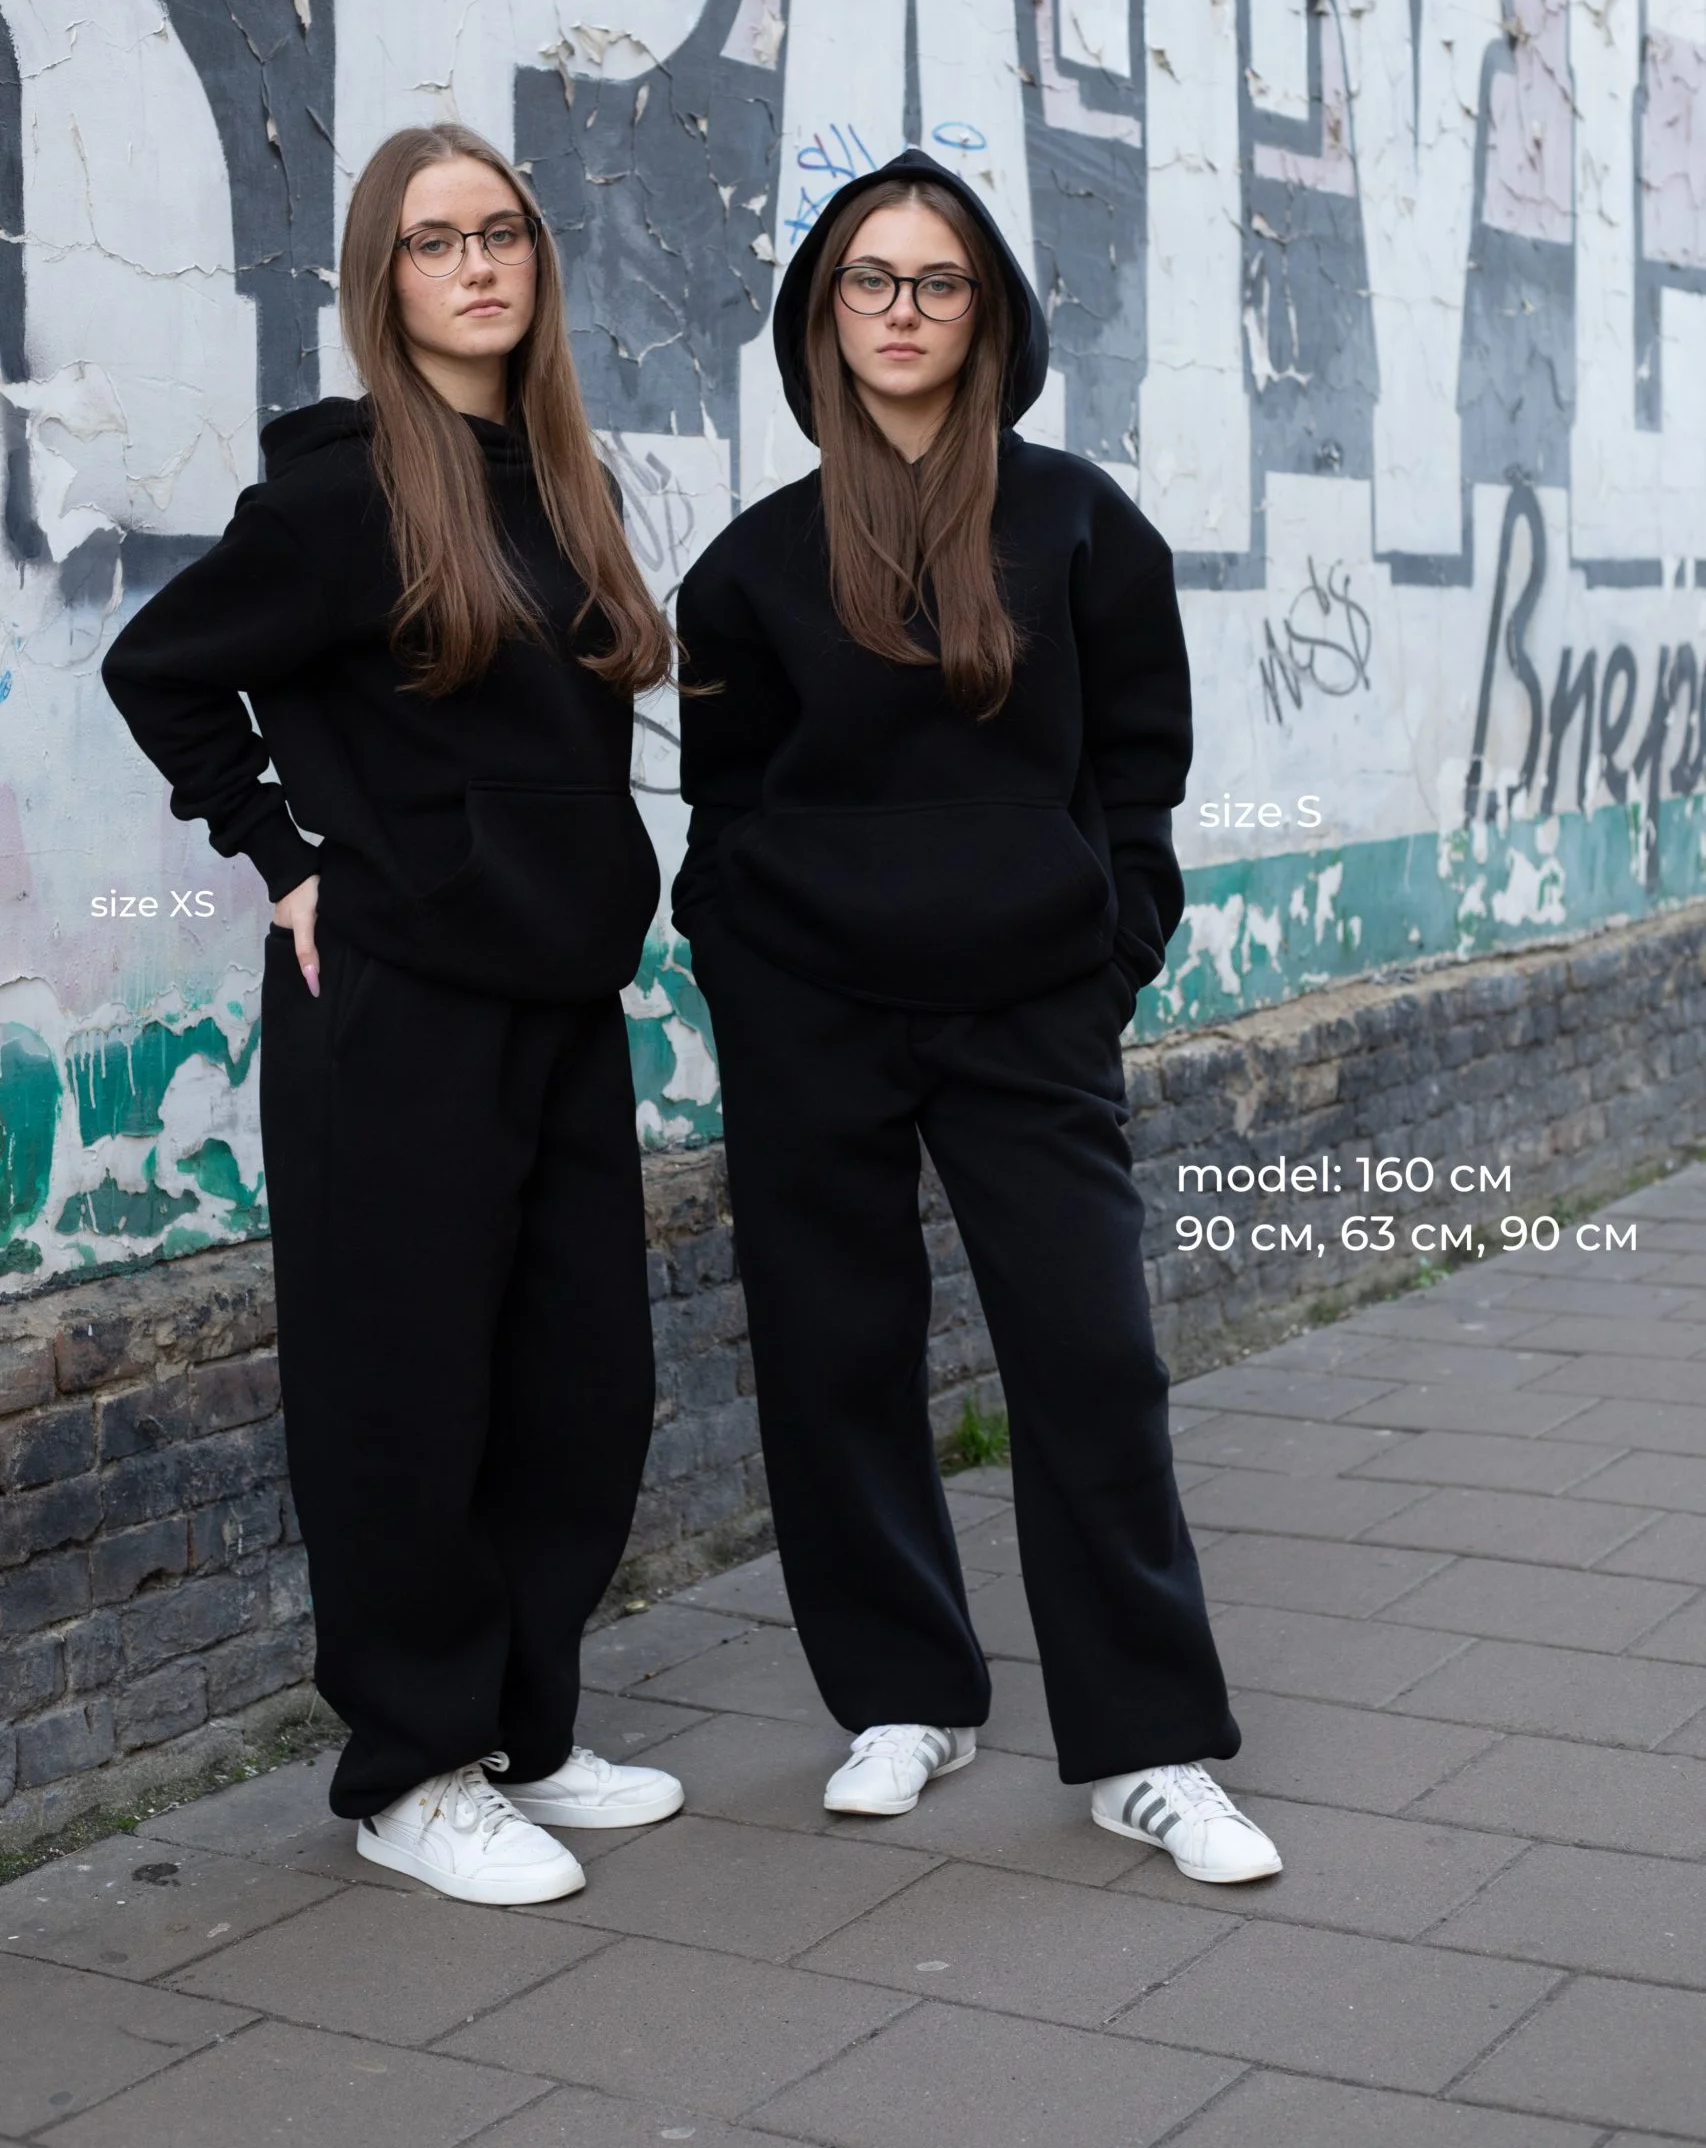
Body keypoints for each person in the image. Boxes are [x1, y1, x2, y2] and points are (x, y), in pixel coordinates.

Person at [672, 147, 1280, 1884]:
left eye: (936, 281)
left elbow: (1137, 777)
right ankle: (903, 1697)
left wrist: (1107, 955)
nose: (902, 311)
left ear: (987, 311)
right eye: (868, 279)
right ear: (821, 312)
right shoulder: (750, 565)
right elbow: (725, 808)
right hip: (812, 1018)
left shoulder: (1079, 523)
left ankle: (1146, 1750)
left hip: (1027, 1015)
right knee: (832, 1360)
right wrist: (752, 976)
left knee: (1090, 1362)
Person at [103, 124, 684, 1907]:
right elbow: (159, 666)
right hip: (399, 1000)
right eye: (436, 241)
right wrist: (285, 856)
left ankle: (522, 1730)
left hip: (560, 992)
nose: (478, 264)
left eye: (501, 231)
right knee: (405, 1394)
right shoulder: (340, 498)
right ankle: (408, 1772)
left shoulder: (562, 479)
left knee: (577, 1385)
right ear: (384, 279)